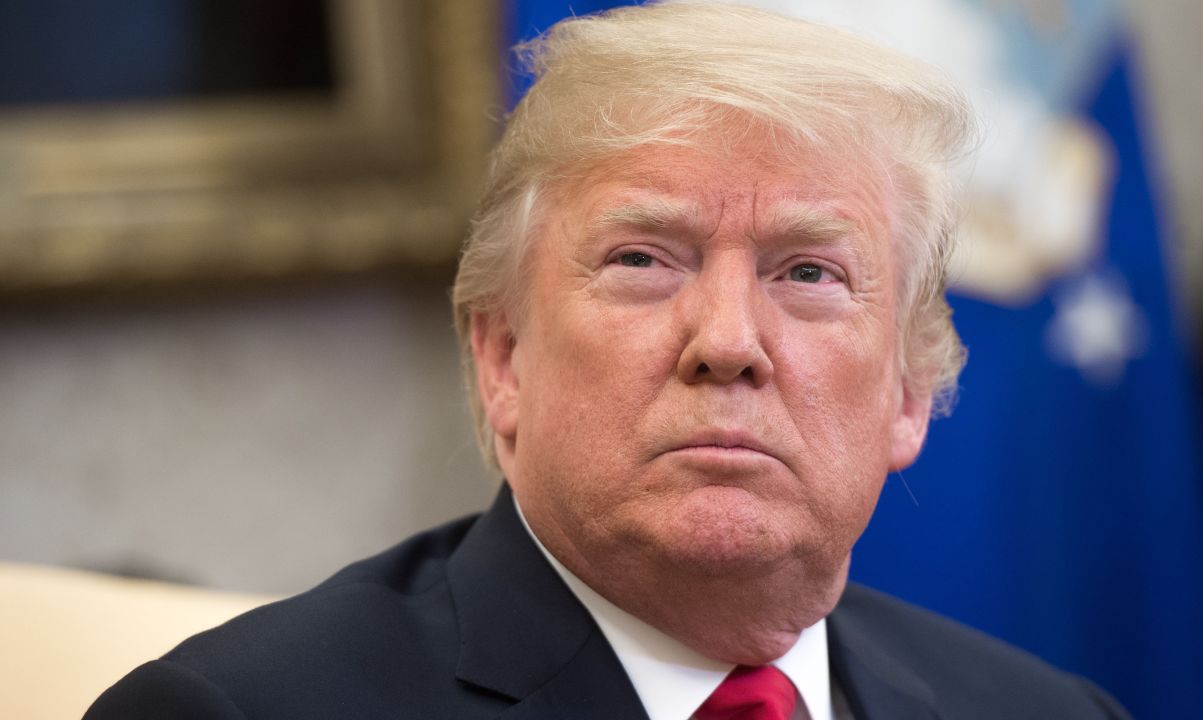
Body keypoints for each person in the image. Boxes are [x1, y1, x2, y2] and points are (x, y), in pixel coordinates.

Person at [87, 3, 1130, 718]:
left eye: (807, 274)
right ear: (502, 358)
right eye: (641, 259)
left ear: (908, 392)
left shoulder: (1047, 710)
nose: (725, 342)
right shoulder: (235, 715)